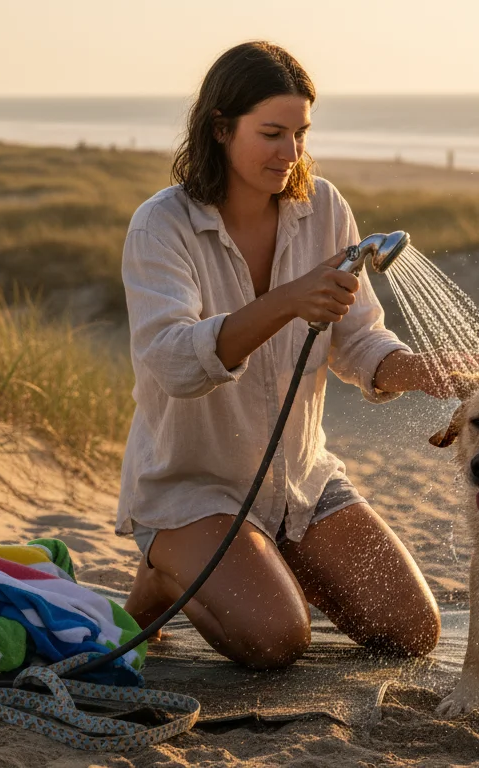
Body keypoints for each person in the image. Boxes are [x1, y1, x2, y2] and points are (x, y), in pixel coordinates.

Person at [118, 41, 455, 669]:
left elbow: (357, 340)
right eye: (271, 133)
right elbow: (171, 363)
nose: (291, 153)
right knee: (276, 641)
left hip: (301, 481)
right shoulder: (160, 226)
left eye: (300, 133)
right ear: (220, 128)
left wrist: (425, 371)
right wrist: (289, 300)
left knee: (413, 631)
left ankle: (265, 556)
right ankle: (164, 571)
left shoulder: (323, 208)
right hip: (193, 488)